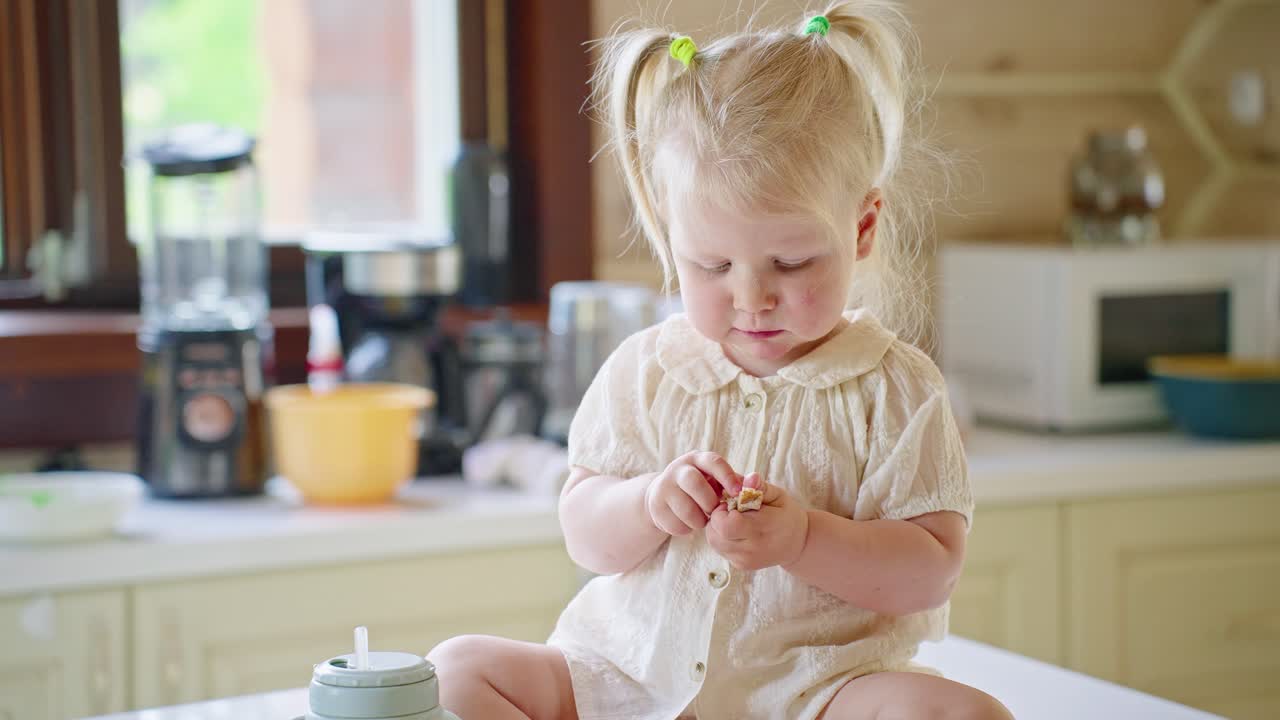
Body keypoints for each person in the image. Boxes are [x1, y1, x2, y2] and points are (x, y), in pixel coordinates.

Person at [429, 2, 1013, 718]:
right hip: (623, 679)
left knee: (962, 715)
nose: (751, 298)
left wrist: (802, 538)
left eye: (791, 262)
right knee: (453, 672)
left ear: (861, 229)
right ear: (672, 238)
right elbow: (585, 533)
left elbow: (929, 573)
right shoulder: (647, 370)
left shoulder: (894, 389)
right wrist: (648, 503)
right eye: (711, 264)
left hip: (815, 693)